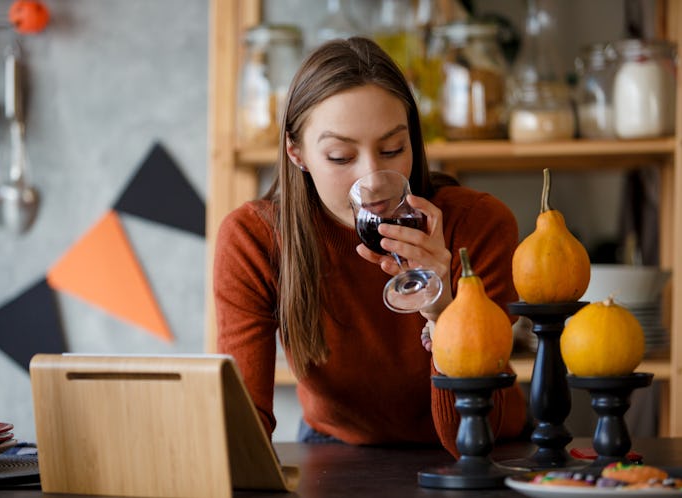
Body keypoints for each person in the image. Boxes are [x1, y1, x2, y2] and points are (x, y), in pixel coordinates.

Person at [213, 37, 527, 457]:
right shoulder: (255, 240)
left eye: (393, 149)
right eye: (341, 156)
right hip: (334, 448)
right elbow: (242, 427)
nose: (374, 178)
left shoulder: (478, 226)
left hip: (486, 442)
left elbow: (473, 436)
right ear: (297, 152)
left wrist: (443, 311)